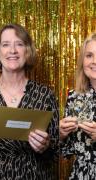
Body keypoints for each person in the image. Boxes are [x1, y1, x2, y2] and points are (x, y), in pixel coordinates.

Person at [0, 23, 59, 180]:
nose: (12, 51)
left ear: (27, 51)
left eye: (19, 44)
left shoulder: (45, 95)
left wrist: (46, 146)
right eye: (5, 44)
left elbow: (55, 154)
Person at [60, 32, 96, 180]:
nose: (94, 61)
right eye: (89, 55)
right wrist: (61, 135)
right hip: (82, 174)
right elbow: (66, 152)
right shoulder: (74, 97)